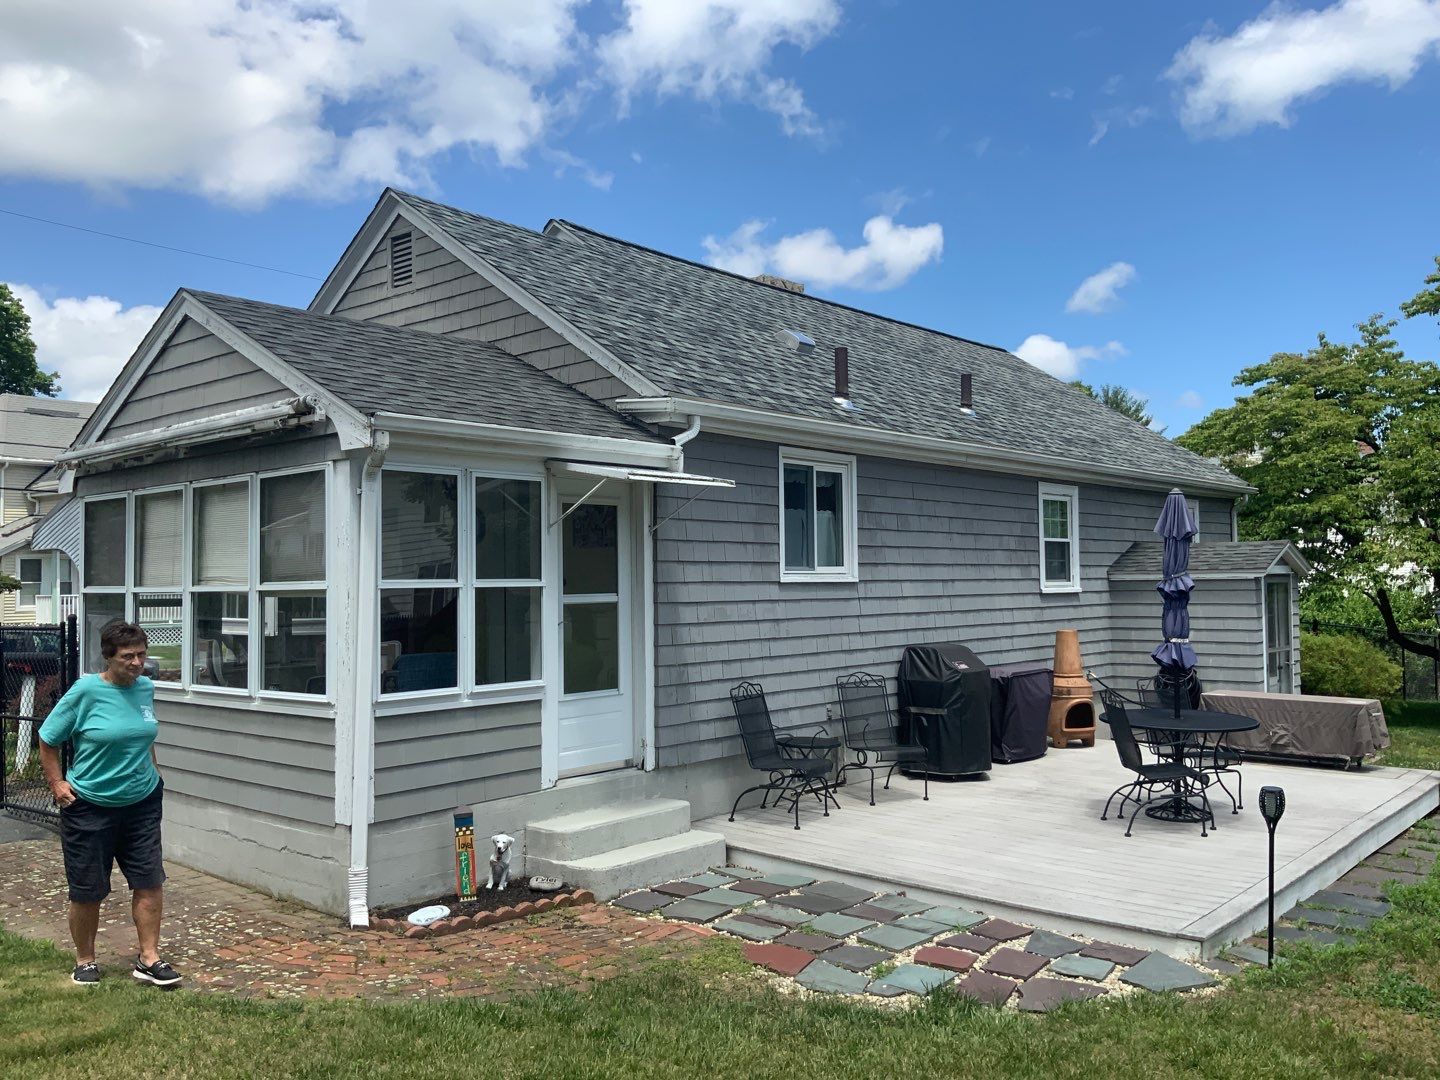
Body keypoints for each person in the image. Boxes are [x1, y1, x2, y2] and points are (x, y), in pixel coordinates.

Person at [38, 621, 181, 987]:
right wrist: (57, 783)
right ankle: (85, 960)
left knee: (149, 881)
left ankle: (148, 958)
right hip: (90, 805)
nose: (137, 663)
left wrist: (155, 772)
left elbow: (142, 736)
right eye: (128, 656)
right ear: (108, 657)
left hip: (142, 802)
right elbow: (48, 738)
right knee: (89, 888)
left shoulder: (145, 688)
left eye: (142, 655)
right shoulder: (86, 690)